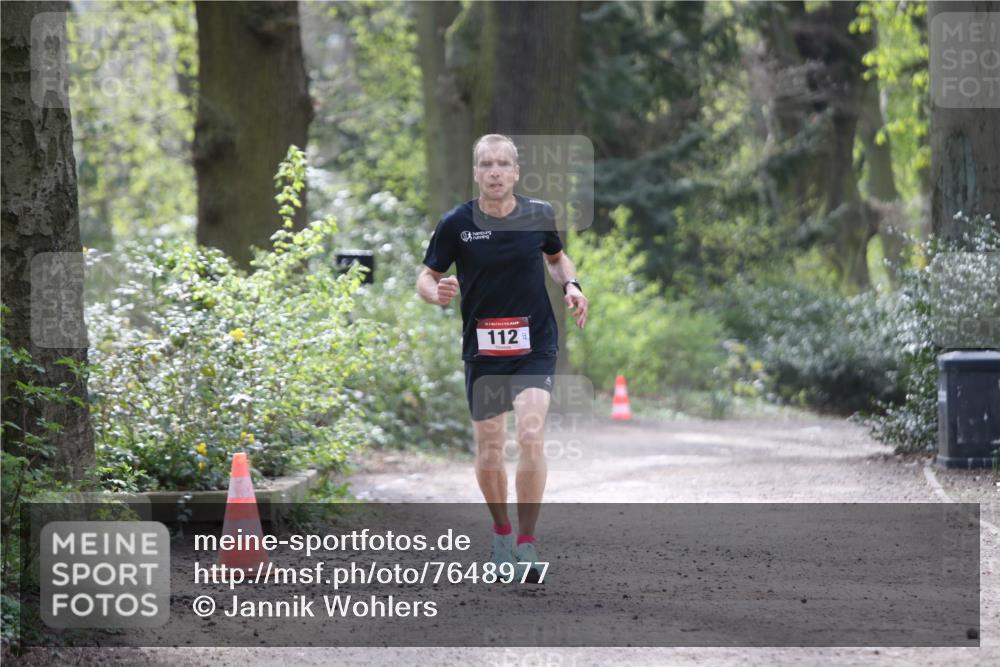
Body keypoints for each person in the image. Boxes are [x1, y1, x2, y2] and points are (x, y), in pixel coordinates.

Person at [416, 134, 588, 583]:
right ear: (476, 172)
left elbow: (557, 258)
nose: (495, 172)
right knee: (490, 445)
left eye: (503, 164)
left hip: (534, 344)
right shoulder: (457, 223)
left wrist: (571, 285)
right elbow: (427, 275)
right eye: (486, 164)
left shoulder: (538, 214)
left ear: (516, 172)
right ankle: (501, 534)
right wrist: (436, 294)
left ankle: (528, 545)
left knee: (530, 433)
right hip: (484, 351)